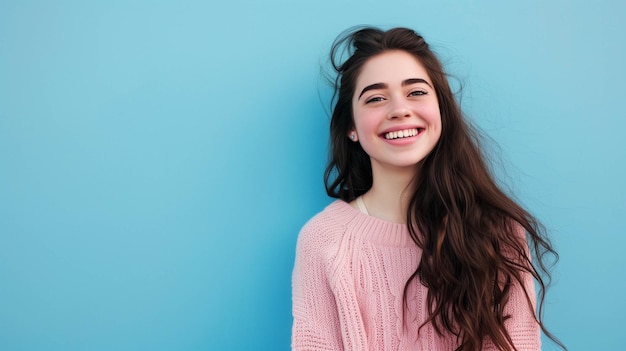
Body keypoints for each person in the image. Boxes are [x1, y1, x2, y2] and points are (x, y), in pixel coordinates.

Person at [291, 27, 564, 351]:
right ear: (351, 127)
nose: (399, 109)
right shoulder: (323, 240)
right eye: (376, 98)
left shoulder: (497, 231)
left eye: (416, 92)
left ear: (442, 112)